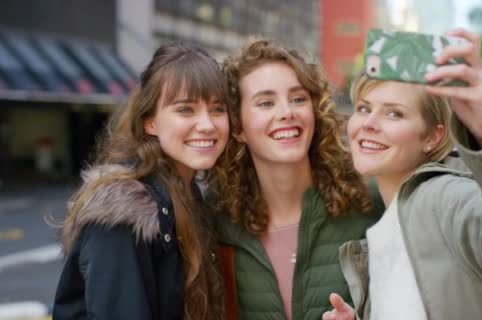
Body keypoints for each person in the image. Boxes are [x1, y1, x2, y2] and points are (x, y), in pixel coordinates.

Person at [322, 28, 482, 320]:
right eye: (363, 108)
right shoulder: (389, 219)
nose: (369, 123)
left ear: (433, 137)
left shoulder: (444, 197)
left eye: (393, 113)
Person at [206, 38, 381, 320]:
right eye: (265, 102)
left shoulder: (368, 201)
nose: (287, 113)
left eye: (298, 98)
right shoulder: (214, 219)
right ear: (238, 128)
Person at [52, 43, 229, 320]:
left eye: (218, 109)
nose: (207, 124)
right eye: (186, 110)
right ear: (150, 122)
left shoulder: (188, 194)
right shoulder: (124, 214)